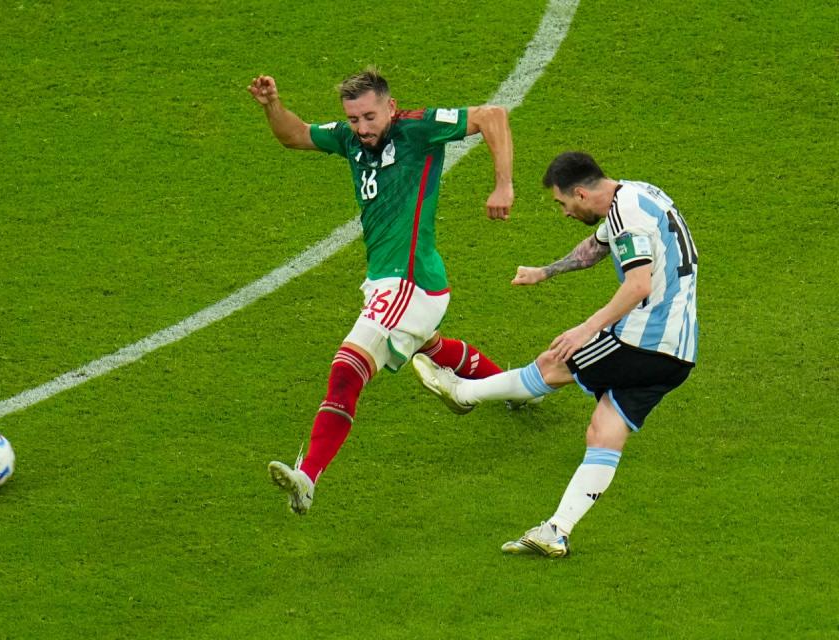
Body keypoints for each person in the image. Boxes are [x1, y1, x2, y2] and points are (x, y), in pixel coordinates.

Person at [247, 67, 516, 514]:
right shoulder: (350, 140)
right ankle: (523, 387)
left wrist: (503, 184)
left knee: (347, 369)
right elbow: (294, 135)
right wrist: (273, 105)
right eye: (354, 119)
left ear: (390, 107)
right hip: (390, 282)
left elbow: (494, 115)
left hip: (410, 282)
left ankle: (307, 477)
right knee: (427, 347)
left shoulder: (417, 130)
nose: (363, 128)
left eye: (370, 117)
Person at [412, 151, 698, 556]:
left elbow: (638, 285)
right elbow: (598, 247)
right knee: (604, 431)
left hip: (643, 339)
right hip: (678, 353)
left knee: (553, 363)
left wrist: (586, 329)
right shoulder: (638, 194)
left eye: (563, 204)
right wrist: (545, 271)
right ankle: (556, 530)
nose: (564, 212)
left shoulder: (625, 217)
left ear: (580, 193)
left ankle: (462, 393)